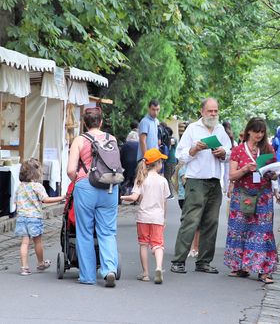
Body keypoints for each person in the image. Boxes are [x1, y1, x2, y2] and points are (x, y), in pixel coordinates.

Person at [171, 98, 231, 274]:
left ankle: (204, 262)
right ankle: (178, 260)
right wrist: (194, 149)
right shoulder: (192, 129)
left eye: (216, 111)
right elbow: (180, 155)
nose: (213, 114)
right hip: (196, 180)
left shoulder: (220, 130)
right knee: (190, 220)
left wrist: (223, 153)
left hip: (214, 180)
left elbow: (230, 152)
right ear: (202, 111)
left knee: (211, 222)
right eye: (210, 111)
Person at [67, 107, 120, 287]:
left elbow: (70, 170)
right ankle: (109, 269)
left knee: (85, 232)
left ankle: (88, 276)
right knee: (107, 232)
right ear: (101, 122)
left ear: (84, 123)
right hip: (109, 188)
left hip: (86, 187)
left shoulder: (80, 140)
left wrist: (78, 180)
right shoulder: (111, 139)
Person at [224, 117, 280, 284]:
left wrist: (272, 173)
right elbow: (232, 175)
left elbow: (275, 171)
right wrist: (245, 169)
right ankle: (239, 265)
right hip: (242, 193)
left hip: (263, 194)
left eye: (262, 132)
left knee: (262, 231)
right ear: (249, 131)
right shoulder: (238, 150)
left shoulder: (268, 149)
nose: (259, 135)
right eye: (256, 132)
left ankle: (263, 269)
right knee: (239, 229)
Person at [120, 148, 170, 284]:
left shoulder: (141, 178)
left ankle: (146, 273)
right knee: (158, 245)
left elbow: (134, 197)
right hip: (157, 217)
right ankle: (159, 267)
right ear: (158, 163)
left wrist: (121, 197)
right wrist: (164, 217)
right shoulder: (163, 181)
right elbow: (165, 201)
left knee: (143, 245)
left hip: (143, 217)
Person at [14, 158, 65, 276]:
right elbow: (45, 200)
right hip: (34, 218)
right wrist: (62, 197)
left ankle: (24, 267)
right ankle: (41, 263)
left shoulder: (20, 186)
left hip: (22, 217)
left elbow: (15, 202)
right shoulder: (37, 186)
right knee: (38, 242)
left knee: (24, 243)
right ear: (36, 172)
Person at [172, 162, 200, 258]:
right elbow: (186, 183)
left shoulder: (182, 167)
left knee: (194, 223)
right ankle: (191, 248)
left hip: (184, 197)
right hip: (187, 198)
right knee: (192, 223)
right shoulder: (184, 168)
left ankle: (195, 247)